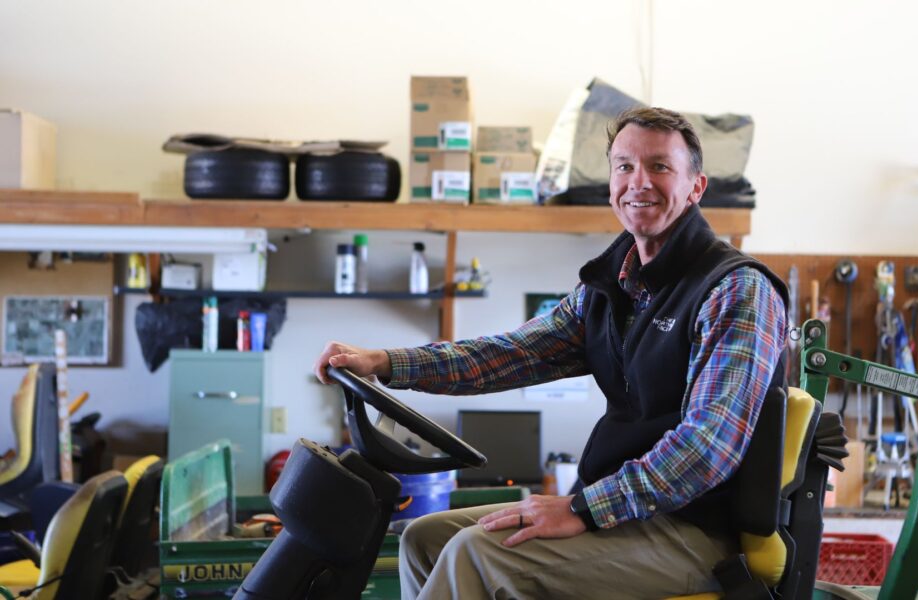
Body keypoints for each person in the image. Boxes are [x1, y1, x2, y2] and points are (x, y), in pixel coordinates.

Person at [313, 107, 789, 599]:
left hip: (694, 532)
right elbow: (507, 355)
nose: (638, 182)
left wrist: (581, 508)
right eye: (624, 166)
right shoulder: (613, 288)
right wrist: (386, 363)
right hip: (621, 515)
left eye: (660, 167)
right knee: (425, 538)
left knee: (474, 553)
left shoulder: (735, 291)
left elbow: (706, 449)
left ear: (696, 187)